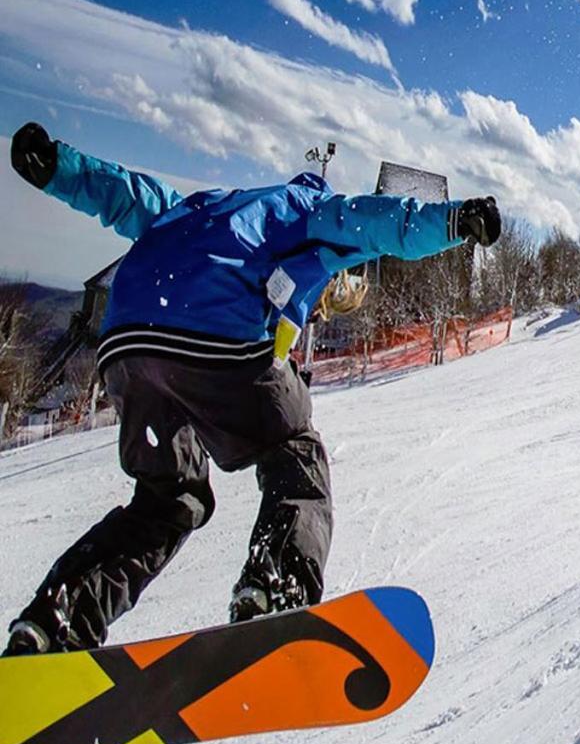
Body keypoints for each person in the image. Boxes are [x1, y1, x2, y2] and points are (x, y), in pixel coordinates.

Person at [4, 122, 501, 655]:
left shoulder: (203, 207)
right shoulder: (304, 211)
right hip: (215, 336)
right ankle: (276, 586)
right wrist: (453, 221)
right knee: (295, 457)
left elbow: (126, 193)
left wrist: (55, 164)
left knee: (166, 500)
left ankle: (57, 619)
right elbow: (378, 224)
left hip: (127, 342)